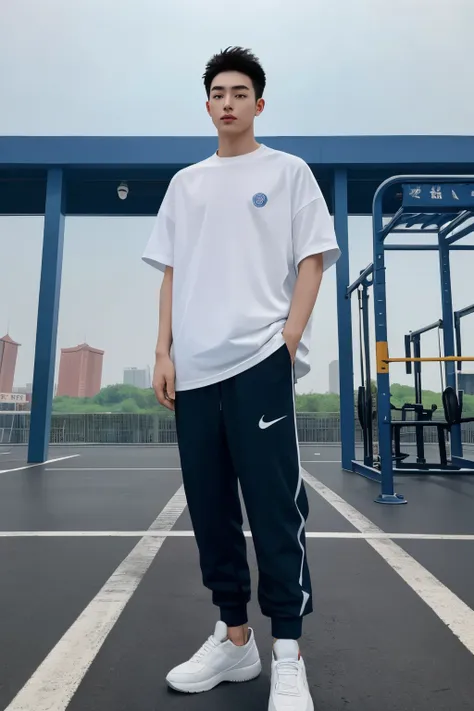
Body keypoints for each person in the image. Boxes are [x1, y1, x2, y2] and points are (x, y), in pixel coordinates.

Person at [142, 46, 340, 711]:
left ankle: (288, 649)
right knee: (211, 510)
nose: (228, 101)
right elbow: (171, 271)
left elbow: (314, 258)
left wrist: (287, 341)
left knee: (275, 506)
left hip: (259, 360)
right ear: (207, 106)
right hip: (193, 370)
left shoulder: (288, 173)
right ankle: (235, 638)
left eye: (240, 91)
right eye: (217, 93)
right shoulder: (186, 184)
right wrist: (163, 350)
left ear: (259, 102)